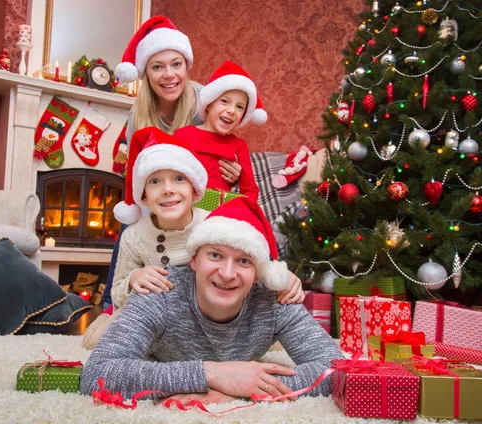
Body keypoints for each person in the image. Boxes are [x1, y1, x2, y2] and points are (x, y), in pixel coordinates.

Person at [80, 196, 343, 403]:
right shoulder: (160, 291)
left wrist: (243, 389)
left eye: (243, 261)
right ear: (194, 259)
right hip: (140, 321)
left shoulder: (273, 299)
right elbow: (96, 376)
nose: (227, 274)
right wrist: (213, 374)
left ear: (258, 274)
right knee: (101, 335)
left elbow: (338, 371)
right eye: (215, 255)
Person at [81, 128, 304, 349]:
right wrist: (133, 278)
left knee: (270, 344)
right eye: (155, 181)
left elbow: (248, 258)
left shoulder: (214, 224)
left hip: (203, 312)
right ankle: (81, 308)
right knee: (96, 341)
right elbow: (117, 291)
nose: (168, 189)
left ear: (195, 189)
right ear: (144, 195)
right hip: (156, 311)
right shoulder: (134, 236)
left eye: (179, 179)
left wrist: (284, 278)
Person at [102, 16, 243, 307]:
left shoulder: (205, 100)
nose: (169, 75)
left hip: (200, 201)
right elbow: (133, 175)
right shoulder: (136, 117)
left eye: (176, 64)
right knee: (131, 232)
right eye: (157, 66)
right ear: (145, 74)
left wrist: (237, 171)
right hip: (155, 200)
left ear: (186, 66)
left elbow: (227, 143)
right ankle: (110, 306)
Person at [174, 61, 266, 202]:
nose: (231, 111)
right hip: (183, 207)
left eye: (240, 107)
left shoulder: (238, 146)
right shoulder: (183, 135)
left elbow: (250, 190)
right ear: (209, 104)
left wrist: (246, 212)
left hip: (217, 213)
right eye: (224, 101)